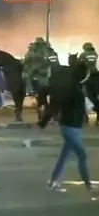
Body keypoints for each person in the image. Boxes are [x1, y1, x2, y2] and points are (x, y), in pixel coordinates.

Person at [41, 60, 96, 193]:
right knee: (82, 155)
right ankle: (88, 185)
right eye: (87, 74)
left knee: (64, 156)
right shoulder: (72, 89)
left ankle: (53, 181)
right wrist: (44, 121)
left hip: (74, 127)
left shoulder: (76, 87)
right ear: (83, 75)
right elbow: (58, 105)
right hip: (70, 127)